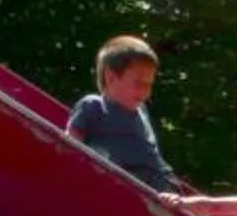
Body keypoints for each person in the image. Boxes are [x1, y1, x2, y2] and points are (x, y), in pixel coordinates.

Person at [65, 35, 176, 192]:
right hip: (120, 185)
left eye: (149, 85)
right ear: (110, 78)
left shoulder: (141, 111)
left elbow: (154, 156)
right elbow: (69, 147)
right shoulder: (94, 106)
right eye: (139, 83)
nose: (145, 91)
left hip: (157, 188)